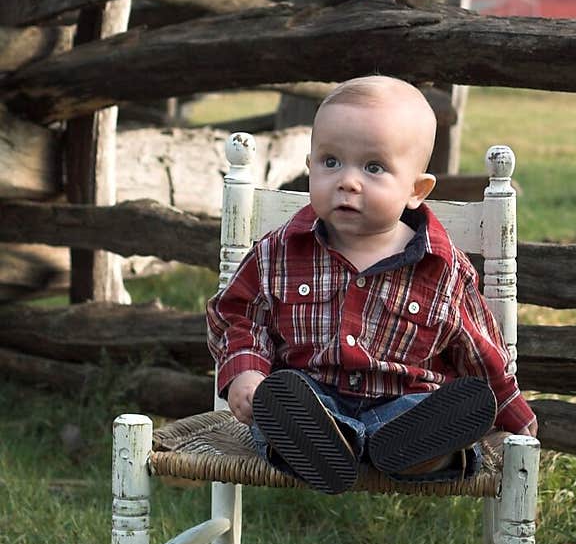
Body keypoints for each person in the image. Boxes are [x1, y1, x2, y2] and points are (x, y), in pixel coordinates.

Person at [206, 74, 538, 493]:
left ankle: (421, 451)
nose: (347, 181)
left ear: (416, 190)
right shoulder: (279, 252)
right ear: (309, 167)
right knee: (280, 406)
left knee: (434, 411)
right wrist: (246, 373)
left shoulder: (443, 268)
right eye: (330, 162)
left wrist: (513, 418)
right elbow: (237, 314)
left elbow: (480, 349)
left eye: (374, 167)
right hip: (313, 401)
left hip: (406, 406)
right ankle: (326, 445)